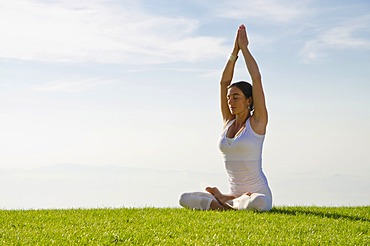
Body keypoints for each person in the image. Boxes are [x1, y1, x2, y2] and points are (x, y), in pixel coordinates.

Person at [179, 24, 272, 211]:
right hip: (235, 194)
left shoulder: (257, 122)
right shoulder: (227, 122)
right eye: (229, 98)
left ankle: (223, 202)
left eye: (236, 97)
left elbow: (256, 78)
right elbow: (223, 83)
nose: (231, 101)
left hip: (256, 194)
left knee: (258, 203)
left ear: (249, 100)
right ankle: (228, 201)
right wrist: (233, 52)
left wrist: (244, 48)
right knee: (184, 198)